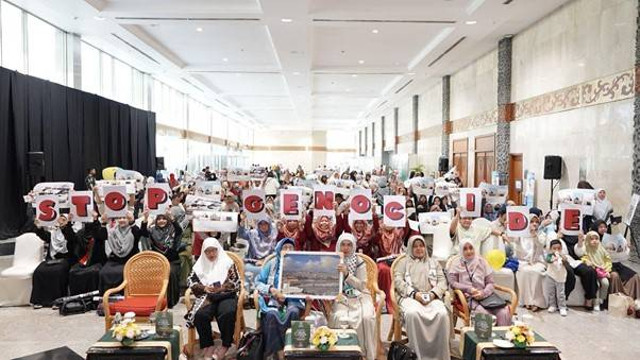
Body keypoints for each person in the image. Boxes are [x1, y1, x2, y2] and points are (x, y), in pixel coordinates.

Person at [393, 235, 450, 360]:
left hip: (432, 297)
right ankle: (416, 355)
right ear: (410, 248)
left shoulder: (433, 262)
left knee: (442, 314)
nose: (419, 249)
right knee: (413, 314)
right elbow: (398, 281)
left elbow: (442, 281)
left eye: (421, 246)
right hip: (410, 297)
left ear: (425, 247)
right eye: (415, 246)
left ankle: (439, 356)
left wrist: (433, 294)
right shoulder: (403, 262)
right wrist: (414, 294)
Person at [185, 238, 240, 360]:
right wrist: (204, 288)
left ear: (218, 250)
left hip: (226, 295)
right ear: (204, 252)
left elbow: (235, 281)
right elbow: (190, 281)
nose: (211, 254)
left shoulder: (227, 262)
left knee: (227, 313)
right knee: (200, 315)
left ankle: (225, 345)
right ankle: (208, 345)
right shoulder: (199, 265)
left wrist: (221, 288)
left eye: (213, 251)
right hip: (208, 297)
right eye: (208, 251)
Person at [255, 238, 306, 360]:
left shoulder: (298, 266)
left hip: (293, 300)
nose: (288, 250)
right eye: (285, 247)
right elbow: (258, 282)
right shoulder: (271, 264)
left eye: (290, 248)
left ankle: (291, 349)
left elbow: (305, 284)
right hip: (273, 299)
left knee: (293, 312)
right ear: (279, 249)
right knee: (272, 315)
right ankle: (276, 352)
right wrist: (272, 290)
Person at [330, 233, 377, 360]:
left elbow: (362, 285)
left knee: (367, 317)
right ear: (339, 246)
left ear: (353, 246)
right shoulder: (333, 260)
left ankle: (364, 353)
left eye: (349, 245)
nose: (346, 248)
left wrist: (347, 274)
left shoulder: (359, 261)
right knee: (340, 317)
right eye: (343, 245)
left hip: (360, 296)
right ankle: (342, 354)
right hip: (341, 296)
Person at [448, 239, 511, 325]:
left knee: (503, 313)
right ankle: (485, 338)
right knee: (485, 316)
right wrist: (469, 289)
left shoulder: (482, 261)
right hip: (468, 297)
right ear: (461, 251)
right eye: (465, 249)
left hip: (486, 296)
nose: (469, 251)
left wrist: (483, 293)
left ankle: (502, 337)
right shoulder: (456, 264)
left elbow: (490, 283)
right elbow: (453, 283)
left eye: (471, 248)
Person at [31, 215, 77, 308]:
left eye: (63, 219)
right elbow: (45, 236)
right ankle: (39, 300)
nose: (60, 221)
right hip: (52, 258)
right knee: (39, 271)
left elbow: (71, 239)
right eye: (60, 219)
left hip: (67, 258)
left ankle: (58, 300)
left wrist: (65, 226)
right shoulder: (53, 232)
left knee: (58, 271)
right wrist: (39, 227)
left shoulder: (71, 230)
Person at [140, 210, 183, 308]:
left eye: (164, 218)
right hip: (157, 261)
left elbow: (179, 231)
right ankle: (155, 300)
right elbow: (143, 232)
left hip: (172, 261)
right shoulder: (152, 230)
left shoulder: (172, 230)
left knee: (170, 272)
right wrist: (146, 218)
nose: (161, 221)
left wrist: (172, 218)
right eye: (159, 219)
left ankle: (170, 301)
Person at [592, 220, 640, 299]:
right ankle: (617, 300)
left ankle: (633, 301)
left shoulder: (611, 238)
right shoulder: (593, 239)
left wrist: (625, 247)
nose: (603, 229)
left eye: (605, 227)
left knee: (634, 276)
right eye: (600, 227)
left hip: (616, 263)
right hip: (603, 265)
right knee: (614, 276)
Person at [98, 211, 142, 294]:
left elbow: (138, 234)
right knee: (103, 272)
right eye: (119, 218)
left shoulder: (133, 229)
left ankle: (125, 296)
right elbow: (102, 236)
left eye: (124, 218)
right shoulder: (112, 231)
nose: (121, 220)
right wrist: (103, 223)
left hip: (130, 260)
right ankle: (107, 297)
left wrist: (132, 221)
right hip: (115, 260)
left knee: (123, 273)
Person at [513, 214, 547, 310]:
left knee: (536, 272)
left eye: (536, 222)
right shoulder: (521, 236)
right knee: (524, 272)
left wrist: (535, 236)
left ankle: (536, 302)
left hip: (538, 261)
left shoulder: (542, 235)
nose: (534, 224)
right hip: (523, 261)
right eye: (532, 222)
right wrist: (518, 240)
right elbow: (518, 251)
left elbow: (540, 246)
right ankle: (527, 301)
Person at [68, 212, 107, 295]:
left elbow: (102, 236)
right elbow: (71, 238)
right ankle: (76, 298)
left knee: (93, 272)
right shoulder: (80, 233)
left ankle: (92, 299)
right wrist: (68, 223)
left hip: (97, 261)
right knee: (73, 271)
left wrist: (96, 220)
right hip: (83, 261)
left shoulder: (98, 230)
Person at [575, 231, 611, 311]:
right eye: (591, 239)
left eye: (596, 239)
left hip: (602, 271)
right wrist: (587, 262)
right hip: (594, 271)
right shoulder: (586, 248)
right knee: (596, 286)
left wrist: (607, 269)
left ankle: (602, 298)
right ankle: (596, 304)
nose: (594, 241)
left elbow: (608, 259)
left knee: (605, 283)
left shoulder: (602, 249)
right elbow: (584, 257)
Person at [376, 224, 407, 313]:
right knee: (384, 270)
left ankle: (401, 297)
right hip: (382, 261)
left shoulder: (398, 233)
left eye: (391, 222)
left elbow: (407, 231)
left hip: (397, 259)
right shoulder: (379, 234)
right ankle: (387, 299)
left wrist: (403, 219)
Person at [238, 216, 278, 282]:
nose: (263, 226)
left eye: (265, 224)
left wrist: (264, 261)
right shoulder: (253, 233)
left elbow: (274, 252)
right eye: (261, 224)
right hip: (252, 261)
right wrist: (242, 222)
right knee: (248, 269)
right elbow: (241, 235)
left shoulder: (273, 235)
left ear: (269, 224)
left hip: (268, 261)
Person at [544, 239, 568, 316]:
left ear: (561, 248)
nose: (556, 250)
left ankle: (562, 307)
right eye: (554, 248)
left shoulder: (563, 256)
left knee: (560, 294)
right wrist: (553, 259)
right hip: (551, 276)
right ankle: (552, 305)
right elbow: (548, 260)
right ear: (551, 249)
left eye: (558, 248)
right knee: (551, 292)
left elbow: (567, 264)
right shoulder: (549, 256)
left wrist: (563, 259)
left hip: (560, 277)